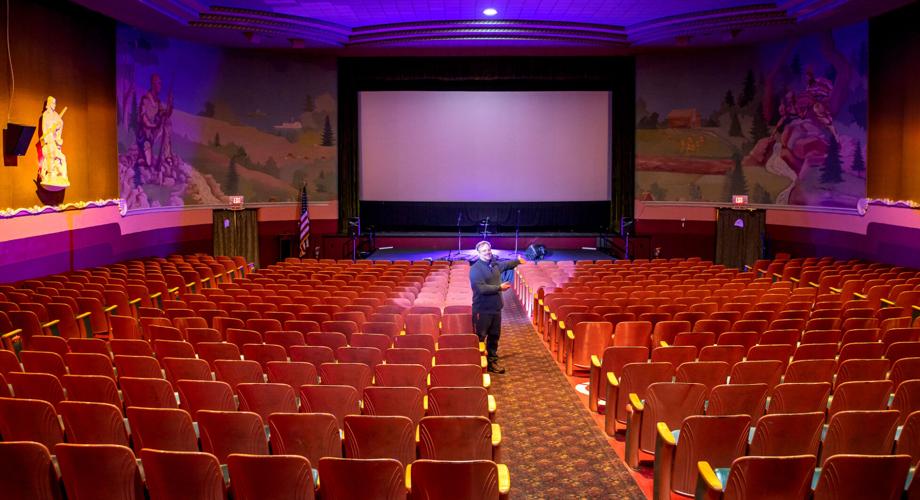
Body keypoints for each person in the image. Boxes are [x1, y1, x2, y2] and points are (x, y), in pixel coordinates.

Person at [469, 240, 524, 374]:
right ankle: (477, 365)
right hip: (482, 310)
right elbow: (481, 288)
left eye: (488, 249)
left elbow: (504, 265)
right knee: (480, 337)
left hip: (496, 309)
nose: (487, 252)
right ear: (478, 253)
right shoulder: (475, 269)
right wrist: (499, 287)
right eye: (484, 251)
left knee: (494, 336)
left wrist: (517, 261)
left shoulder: (493, 264)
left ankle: (492, 362)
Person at [37, 96, 69, 190]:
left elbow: (61, 123)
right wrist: (48, 137)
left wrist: (57, 126)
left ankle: (63, 176)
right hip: (49, 141)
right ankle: (50, 175)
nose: (54, 105)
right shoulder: (45, 115)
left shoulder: (56, 115)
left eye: (55, 103)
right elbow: (44, 130)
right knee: (50, 158)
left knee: (62, 158)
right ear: (49, 104)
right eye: (53, 103)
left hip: (54, 141)